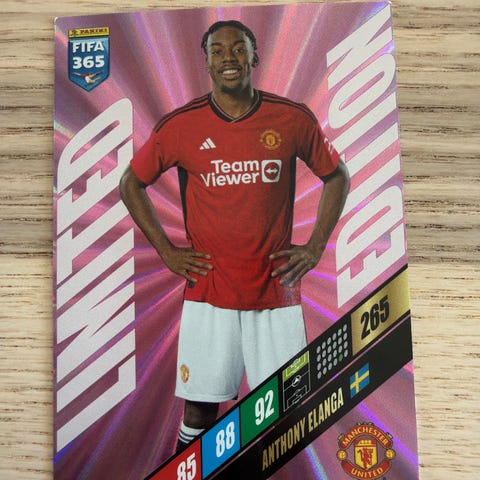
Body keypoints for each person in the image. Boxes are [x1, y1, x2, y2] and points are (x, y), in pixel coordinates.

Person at [119, 20, 350, 452]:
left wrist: (316, 245)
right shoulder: (181, 125)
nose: (229, 58)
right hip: (209, 290)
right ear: (206, 62)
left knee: (285, 411)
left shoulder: (291, 117)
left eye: (239, 48)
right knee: (199, 412)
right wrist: (167, 252)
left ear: (254, 56)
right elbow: (131, 182)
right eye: (218, 51)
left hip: (276, 289)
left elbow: (337, 176)